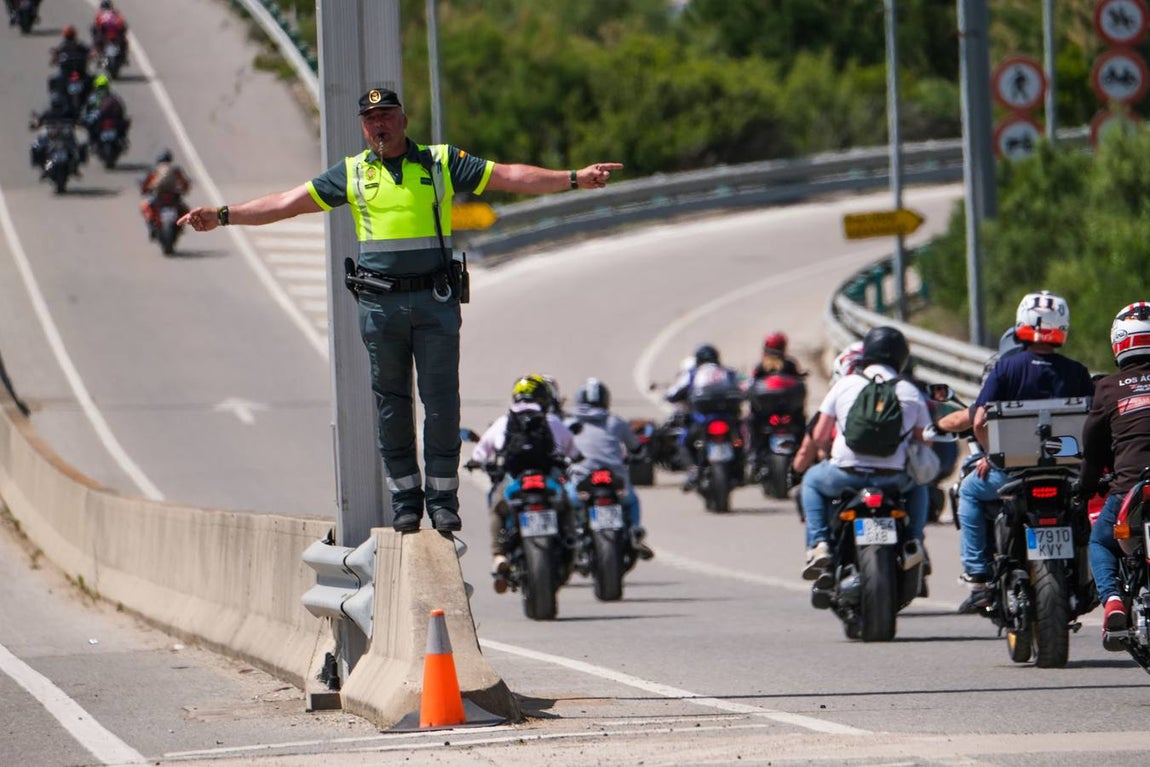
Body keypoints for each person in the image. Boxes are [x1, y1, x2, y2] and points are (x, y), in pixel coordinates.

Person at [179, 85, 622, 533]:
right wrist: (223, 214)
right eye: (371, 120)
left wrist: (573, 177)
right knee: (391, 407)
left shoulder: (440, 161)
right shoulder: (352, 173)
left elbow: (509, 176)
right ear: (362, 127)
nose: (380, 125)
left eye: (387, 116)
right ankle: (406, 500)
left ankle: (443, 499)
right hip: (381, 306)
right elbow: (286, 203)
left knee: (442, 404)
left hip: (435, 303)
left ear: (403, 120)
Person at [955, 290, 1093, 613]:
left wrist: (990, 455)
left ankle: (978, 579)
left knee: (970, 492)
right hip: (1066, 472)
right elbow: (1093, 422)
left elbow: (977, 420)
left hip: (1013, 473)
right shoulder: (1077, 372)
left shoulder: (1005, 369)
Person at [799, 327, 931, 580]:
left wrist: (828, 454)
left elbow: (819, 434)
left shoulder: (845, 384)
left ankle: (820, 544)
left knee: (812, 482)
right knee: (919, 484)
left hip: (845, 474)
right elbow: (924, 441)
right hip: (892, 478)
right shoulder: (910, 391)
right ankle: (913, 541)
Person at [1081, 302, 1150, 649]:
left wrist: (1085, 485)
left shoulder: (1107, 389)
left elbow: (1092, 451)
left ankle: (1112, 601)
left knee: (1101, 540)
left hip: (1129, 489)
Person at [469, 375, 580, 591]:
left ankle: (499, 554)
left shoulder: (504, 421)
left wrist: (475, 463)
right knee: (567, 505)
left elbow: (480, 453)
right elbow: (574, 452)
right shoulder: (552, 421)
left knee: (497, 507)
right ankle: (569, 539)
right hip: (547, 482)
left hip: (515, 482)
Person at [565, 377, 654, 561]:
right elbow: (635, 447)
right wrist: (637, 454)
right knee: (632, 501)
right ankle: (635, 532)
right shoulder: (616, 422)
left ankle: (570, 534)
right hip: (614, 480)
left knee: (565, 503)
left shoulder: (569, 424)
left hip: (581, 482)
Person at [665, 343, 743, 491]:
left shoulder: (694, 373)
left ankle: (693, 470)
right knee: (740, 442)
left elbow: (674, 393)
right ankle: (739, 469)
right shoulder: (728, 372)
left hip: (703, 420)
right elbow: (743, 387)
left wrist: (671, 397)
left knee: (683, 443)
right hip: (728, 420)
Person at [139, 149, 191, 239]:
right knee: (185, 209)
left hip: (159, 196)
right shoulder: (175, 170)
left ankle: (151, 225)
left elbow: (145, 184)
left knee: (144, 206)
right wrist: (184, 190)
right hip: (173, 196)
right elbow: (184, 184)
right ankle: (181, 227)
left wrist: (145, 190)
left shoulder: (155, 170)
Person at [80, 73, 129, 142]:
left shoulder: (112, 98)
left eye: (102, 87)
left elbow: (121, 112)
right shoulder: (94, 98)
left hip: (109, 124)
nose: (101, 90)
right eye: (100, 87)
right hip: (100, 125)